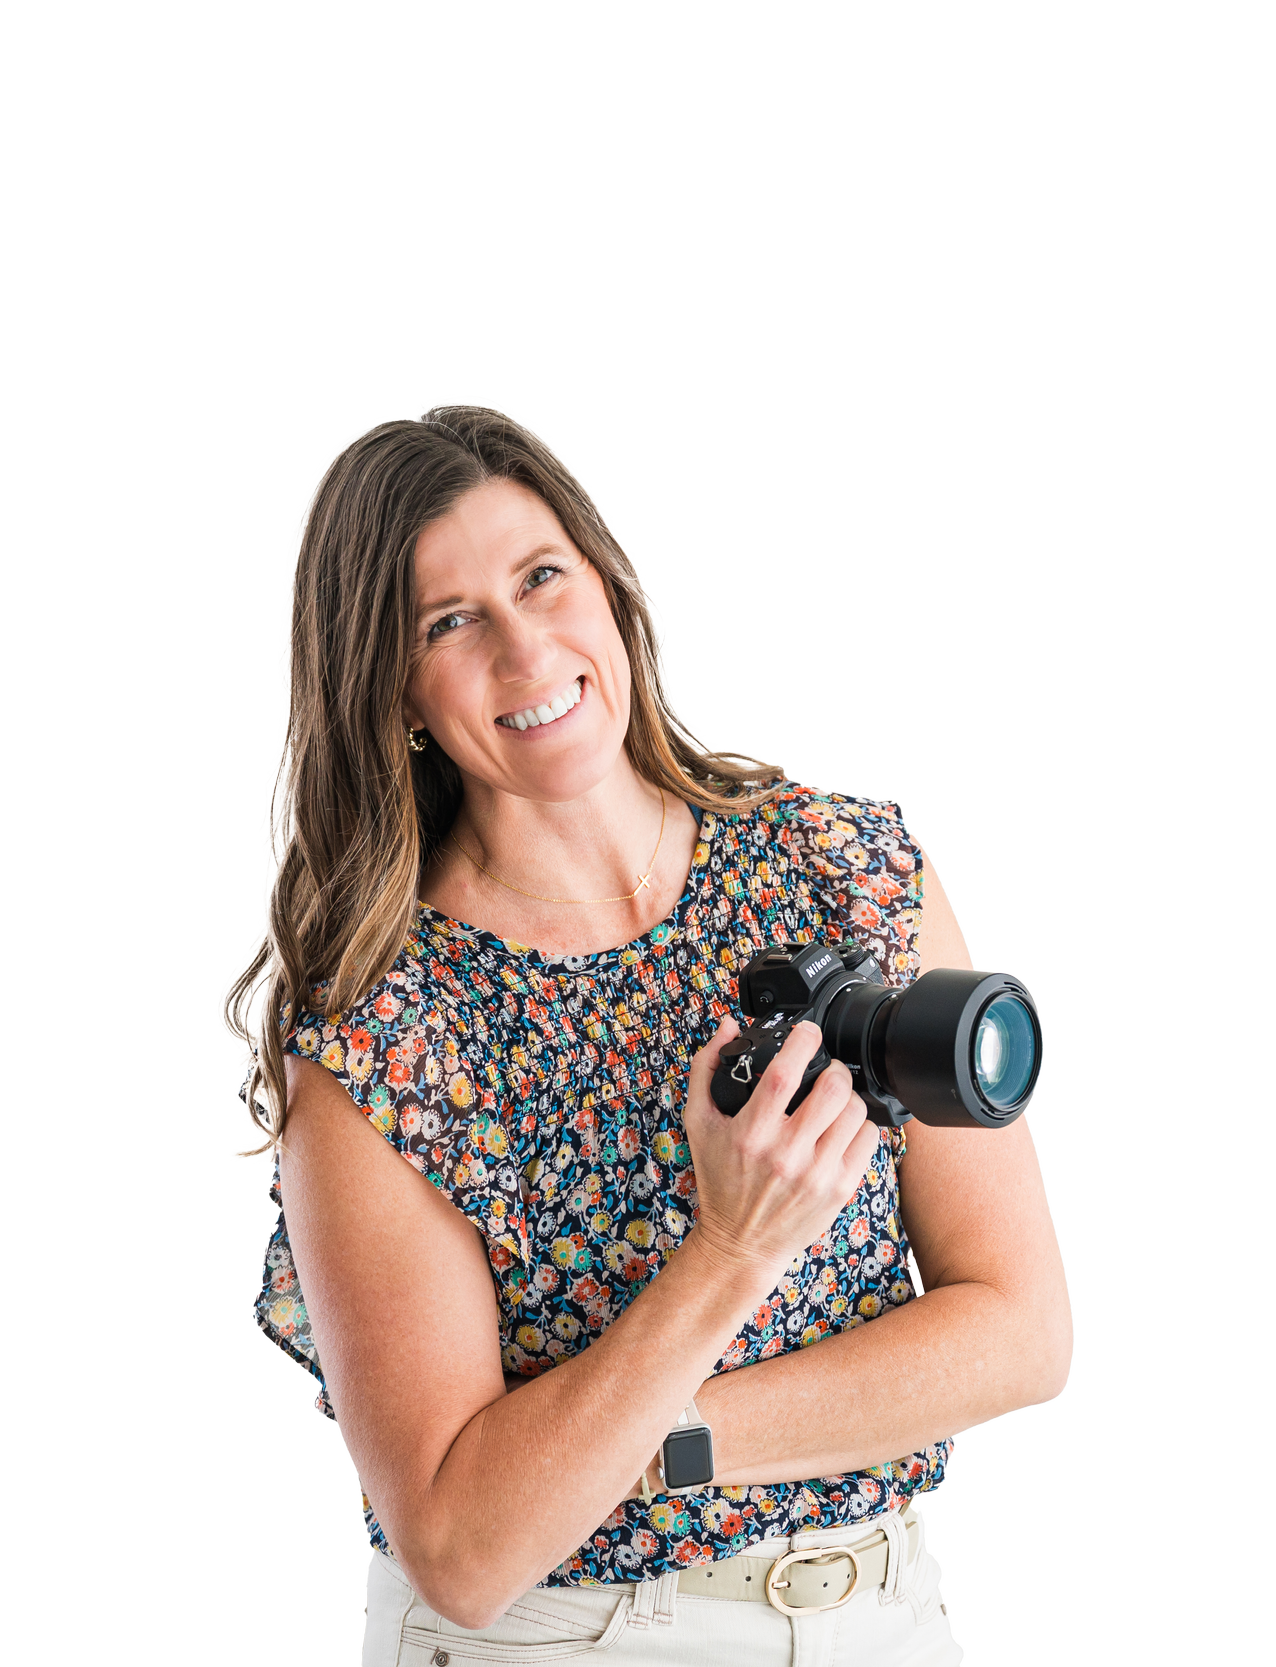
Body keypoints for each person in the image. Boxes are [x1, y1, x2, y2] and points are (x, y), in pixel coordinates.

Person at [224, 404, 1072, 1664]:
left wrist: (656, 1445)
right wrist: (731, 1245)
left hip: (881, 1615)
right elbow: (463, 1545)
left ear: (614, 590)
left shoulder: (837, 865)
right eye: (448, 623)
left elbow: (1019, 1332)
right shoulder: (385, 1027)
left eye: (541, 577)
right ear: (390, 689)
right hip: (572, 1638)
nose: (524, 649)